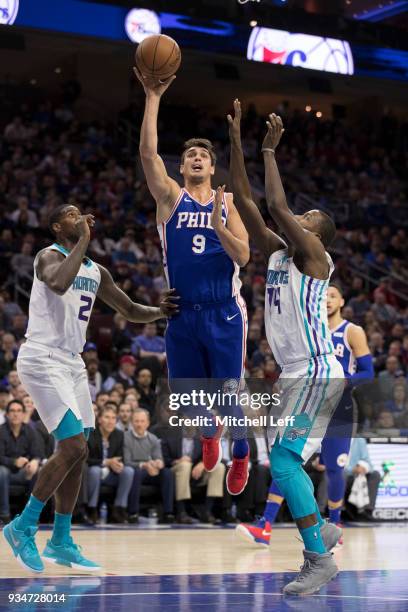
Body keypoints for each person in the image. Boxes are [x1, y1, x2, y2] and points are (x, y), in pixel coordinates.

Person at [4, 203, 178, 573]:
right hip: (41, 357)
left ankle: (61, 540)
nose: (79, 215)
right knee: (72, 445)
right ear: (55, 226)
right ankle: (22, 526)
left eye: (80, 212)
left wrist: (159, 312)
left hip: (72, 363)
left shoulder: (95, 270)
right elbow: (58, 282)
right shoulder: (47, 256)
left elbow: (128, 308)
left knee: (80, 453)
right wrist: (83, 237)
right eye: (70, 213)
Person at [228, 100, 344, 595]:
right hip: (296, 373)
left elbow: (275, 205)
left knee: (285, 462)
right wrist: (236, 143)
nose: (300, 214)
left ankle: (318, 555)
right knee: (283, 458)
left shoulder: (315, 256)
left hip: (317, 369)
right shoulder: (278, 252)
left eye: (309, 216)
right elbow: (248, 204)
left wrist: (269, 152)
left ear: (316, 234)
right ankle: (323, 529)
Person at [135, 69, 250, 495]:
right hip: (183, 312)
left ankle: (241, 456)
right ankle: (208, 433)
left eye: (204, 154)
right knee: (184, 392)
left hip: (223, 312)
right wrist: (152, 97)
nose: (197, 157)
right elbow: (148, 154)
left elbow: (243, 255)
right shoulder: (170, 198)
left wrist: (222, 226)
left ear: (213, 166)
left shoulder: (228, 203)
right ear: (181, 167)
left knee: (228, 395)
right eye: (190, 155)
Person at [238, 283, 374, 546]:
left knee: (335, 469)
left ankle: (335, 524)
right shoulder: (312, 332)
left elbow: (368, 372)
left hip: (339, 407)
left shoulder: (352, 332)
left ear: (342, 301)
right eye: (323, 296)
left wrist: (345, 381)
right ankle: (265, 524)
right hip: (309, 403)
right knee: (287, 458)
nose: (327, 301)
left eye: (333, 296)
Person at [124, 409, 174, 524]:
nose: (139, 424)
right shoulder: (126, 438)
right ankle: (133, 513)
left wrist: (158, 464)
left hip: (151, 470)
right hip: (137, 469)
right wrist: (144, 465)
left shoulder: (153, 439)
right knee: (135, 472)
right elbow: (127, 461)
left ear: (148, 423)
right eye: (136, 421)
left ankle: (168, 513)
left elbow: (159, 458)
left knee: (167, 472)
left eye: (142, 421)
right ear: (132, 422)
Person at [87, 405, 134, 524]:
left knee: (128, 471)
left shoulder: (119, 435)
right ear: (99, 420)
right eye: (107, 417)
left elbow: (120, 456)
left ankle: (119, 509)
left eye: (113, 418)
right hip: (93, 473)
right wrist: (106, 462)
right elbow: (86, 459)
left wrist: (118, 464)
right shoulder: (90, 434)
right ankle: (92, 509)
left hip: (111, 474)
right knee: (94, 471)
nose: (110, 421)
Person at [0, 400, 43, 524]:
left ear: (24, 414)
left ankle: (30, 516)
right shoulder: (1, 431)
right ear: (7, 414)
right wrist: (14, 462)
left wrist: (34, 462)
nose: (15, 414)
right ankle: (4, 515)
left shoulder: (30, 431)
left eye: (19, 411)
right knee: (1, 472)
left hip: (23, 472)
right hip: (5, 472)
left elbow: (37, 454)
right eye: (12, 411)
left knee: (37, 471)